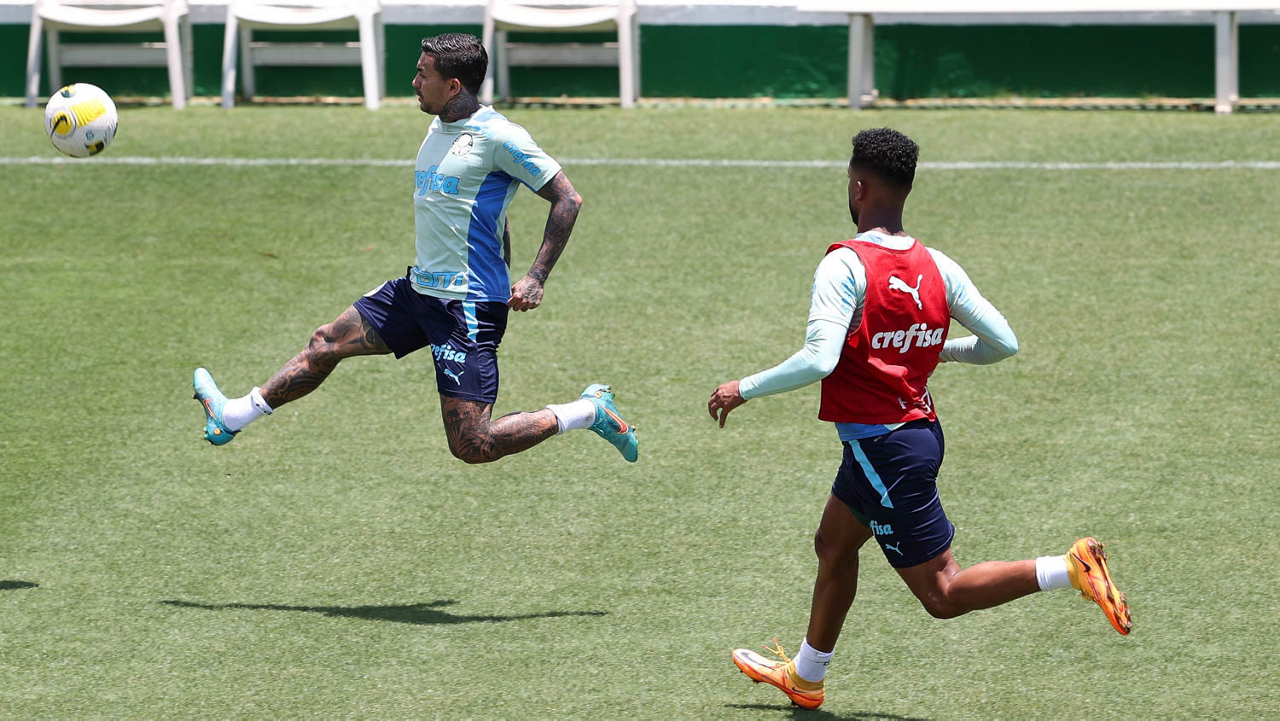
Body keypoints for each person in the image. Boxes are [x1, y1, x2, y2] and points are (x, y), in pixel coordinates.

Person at [708, 127, 1130, 710]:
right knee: (833, 544)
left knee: (943, 592)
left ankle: (1069, 568)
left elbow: (820, 358)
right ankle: (806, 677)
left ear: (859, 187)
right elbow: (1002, 343)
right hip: (909, 437)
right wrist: (936, 352)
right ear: (904, 190)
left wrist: (743, 388)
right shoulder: (937, 265)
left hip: (884, 452)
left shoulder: (844, 265)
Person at [193, 33, 637, 464]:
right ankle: (232, 416)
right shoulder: (439, 126)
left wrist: (536, 276)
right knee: (326, 342)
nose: (414, 82)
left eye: (424, 74)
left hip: (465, 306)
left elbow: (568, 199)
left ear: (454, 85)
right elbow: (481, 208)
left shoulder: (500, 137)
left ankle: (588, 411)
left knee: (472, 444)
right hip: (418, 291)